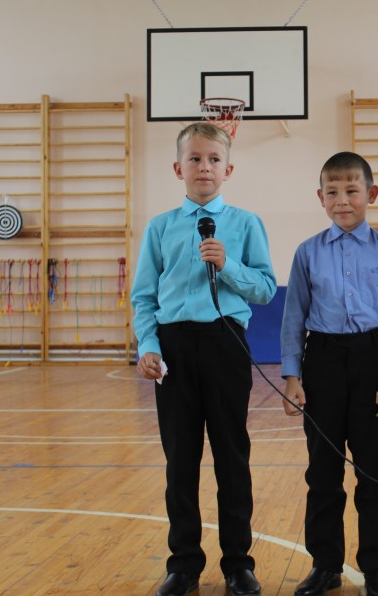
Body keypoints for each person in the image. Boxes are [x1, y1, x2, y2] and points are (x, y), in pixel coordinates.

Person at [132, 122, 277, 596]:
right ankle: (183, 563)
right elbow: (144, 297)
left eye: (214, 159)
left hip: (225, 343)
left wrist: (226, 264)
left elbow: (264, 288)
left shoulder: (246, 224)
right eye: (194, 158)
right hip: (174, 348)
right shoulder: (159, 228)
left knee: (232, 457)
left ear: (228, 170)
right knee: (180, 460)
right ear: (178, 168)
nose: (204, 167)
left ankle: (238, 563)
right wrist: (149, 345)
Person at [280, 151, 378, 596]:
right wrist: (292, 376)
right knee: (323, 472)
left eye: (352, 191)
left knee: (374, 471)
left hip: (373, 359)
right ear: (320, 197)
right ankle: (325, 565)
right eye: (332, 192)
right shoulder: (307, 253)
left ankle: (376, 565)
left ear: (371, 194)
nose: (342, 200)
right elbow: (293, 318)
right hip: (322, 363)